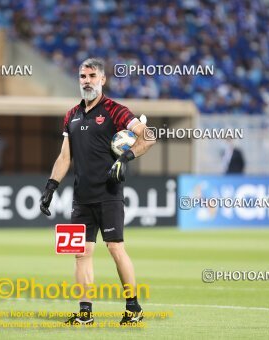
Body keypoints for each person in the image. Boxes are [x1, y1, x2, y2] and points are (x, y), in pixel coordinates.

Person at [39, 58, 155, 325]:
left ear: (102, 80)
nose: (87, 80)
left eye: (92, 76)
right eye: (82, 76)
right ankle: (85, 314)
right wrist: (50, 186)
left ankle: (133, 308)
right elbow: (64, 157)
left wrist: (126, 158)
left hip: (108, 194)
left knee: (115, 248)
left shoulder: (116, 111)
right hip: (81, 198)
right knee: (80, 254)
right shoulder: (71, 115)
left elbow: (147, 136)